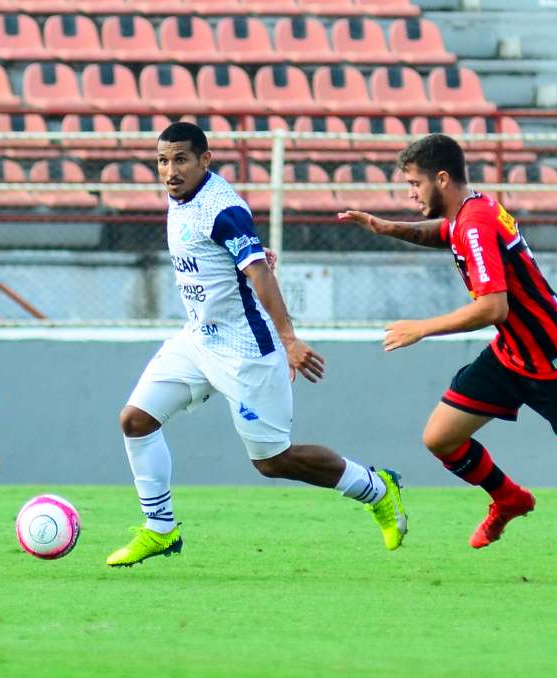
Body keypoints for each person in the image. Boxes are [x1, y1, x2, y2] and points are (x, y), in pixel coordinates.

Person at [337, 134, 557, 585]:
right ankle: (508, 498)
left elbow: (493, 308)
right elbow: (446, 234)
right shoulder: (471, 212)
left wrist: (422, 328)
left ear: (442, 179)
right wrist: (389, 228)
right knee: (441, 437)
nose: (410, 193)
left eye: (414, 183)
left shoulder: (475, 223)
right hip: (513, 355)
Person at [107, 122, 407, 567]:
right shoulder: (181, 198)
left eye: (181, 160)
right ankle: (160, 530)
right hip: (197, 341)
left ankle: (377, 489)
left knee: (273, 461)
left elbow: (259, 273)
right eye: (163, 161)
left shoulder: (222, 209)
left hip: (245, 351)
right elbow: (236, 258)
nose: (170, 171)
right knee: (135, 420)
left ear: (205, 160)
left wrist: (289, 340)